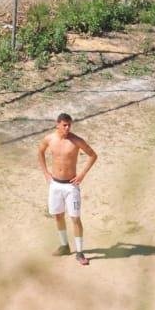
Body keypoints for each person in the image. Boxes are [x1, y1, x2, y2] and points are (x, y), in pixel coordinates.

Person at [37, 113, 98, 266]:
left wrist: (82, 175)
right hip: (55, 185)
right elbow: (40, 152)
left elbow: (93, 155)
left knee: (75, 219)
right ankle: (64, 246)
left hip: (71, 186)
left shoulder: (76, 140)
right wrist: (45, 173)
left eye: (69, 125)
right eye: (64, 125)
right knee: (58, 216)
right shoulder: (49, 139)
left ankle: (80, 252)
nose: (67, 128)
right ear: (57, 124)